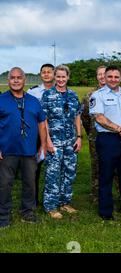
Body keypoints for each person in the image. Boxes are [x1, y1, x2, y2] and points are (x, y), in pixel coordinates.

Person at [89, 65, 121, 220]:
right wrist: (119, 128)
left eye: (116, 77)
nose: (113, 79)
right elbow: (99, 117)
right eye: (110, 76)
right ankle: (105, 211)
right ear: (105, 77)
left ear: (120, 78)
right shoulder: (98, 95)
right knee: (106, 176)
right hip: (108, 139)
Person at [0, 67, 47, 228]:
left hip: (29, 150)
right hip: (7, 150)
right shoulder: (1, 99)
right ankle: (3, 215)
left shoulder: (34, 101)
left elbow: (42, 124)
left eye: (19, 77)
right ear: (8, 80)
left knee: (29, 183)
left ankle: (27, 212)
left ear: (24, 80)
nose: (15, 80)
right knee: (5, 184)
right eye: (12, 77)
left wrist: (44, 145)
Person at [41, 65, 82, 219]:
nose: (60, 79)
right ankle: (51, 206)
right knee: (53, 173)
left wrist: (79, 137)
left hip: (70, 141)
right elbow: (43, 120)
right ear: (54, 77)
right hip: (55, 142)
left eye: (63, 76)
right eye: (58, 76)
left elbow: (77, 116)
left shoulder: (73, 95)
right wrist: (48, 141)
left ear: (68, 77)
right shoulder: (47, 95)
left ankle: (65, 202)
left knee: (69, 172)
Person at [27, 63, 54, 206]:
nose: (46, 74)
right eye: (43, 72)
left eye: (49, 72)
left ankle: (53, 199)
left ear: (54, 74)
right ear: (40, 74)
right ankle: (33, 199)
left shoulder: (60, 91)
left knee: (54, 168)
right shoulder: (33, 92)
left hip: (56, 135)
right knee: (35, 167)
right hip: (37, 135)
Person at [81, 65, 107, 202]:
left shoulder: (116, 93)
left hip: (113, 137)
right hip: (95, 137)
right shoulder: (89, 96)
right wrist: (91, 131)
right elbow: (84, 117)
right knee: (96, 166)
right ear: (97, 77)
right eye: (99, 74)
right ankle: (96, 195)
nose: (102, 77)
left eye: (105, 74)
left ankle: (117, 193)